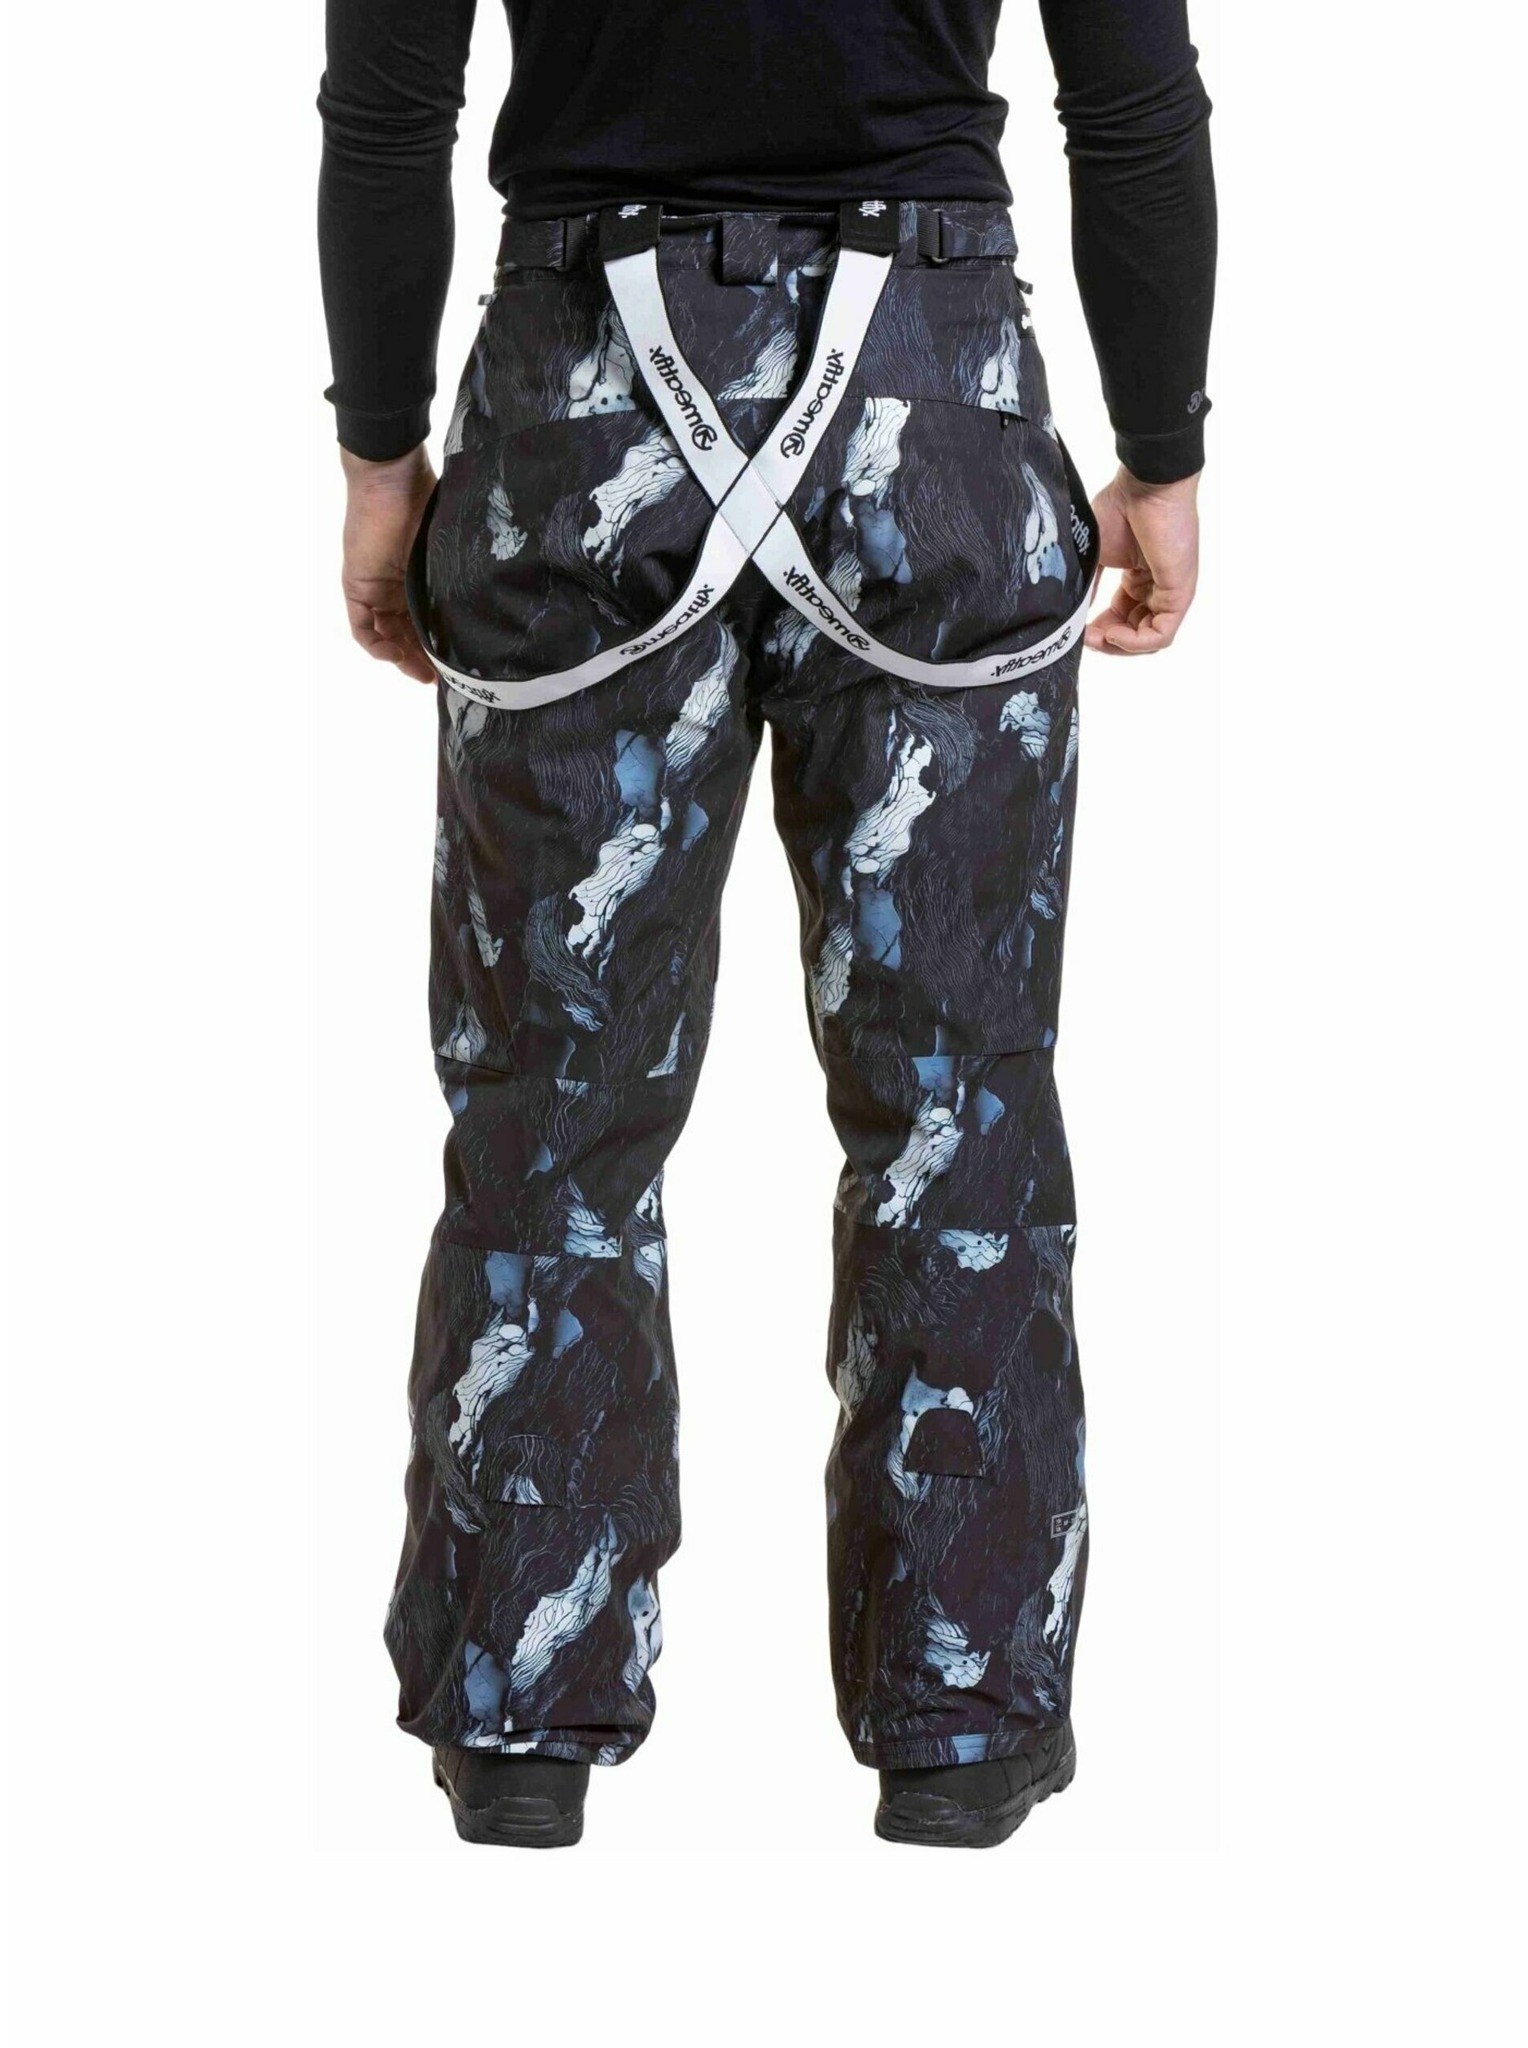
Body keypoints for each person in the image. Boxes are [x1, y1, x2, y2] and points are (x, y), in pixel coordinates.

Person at [318, 0, 1215, 1850]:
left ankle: (519, 1722)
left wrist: (383, 459)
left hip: (582, 401)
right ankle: (961, 1723)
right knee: (957, 1098)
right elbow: (1133, 97)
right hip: (935, 400)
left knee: (552, 1102)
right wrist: (1164, 445)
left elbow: (389, 102)